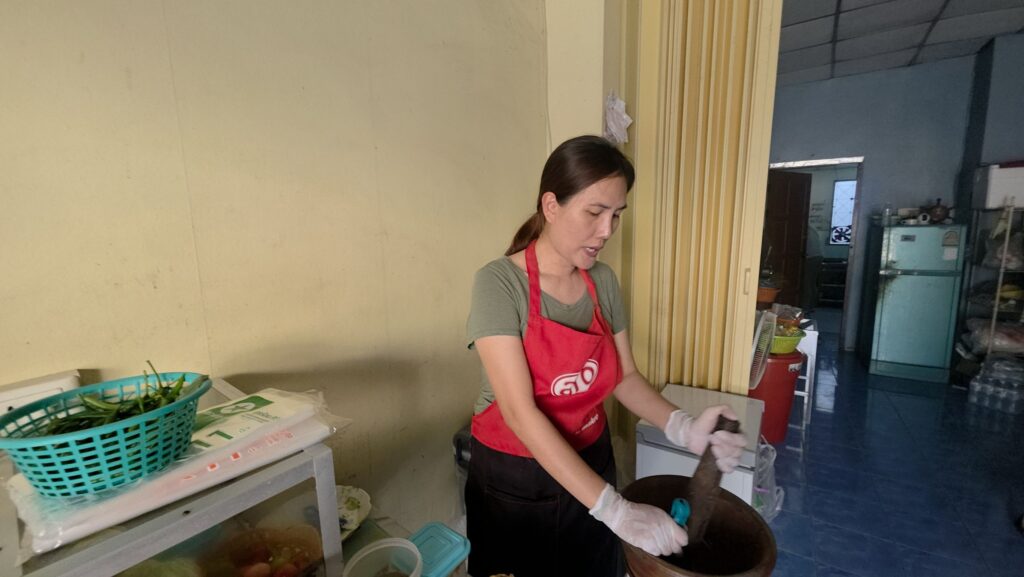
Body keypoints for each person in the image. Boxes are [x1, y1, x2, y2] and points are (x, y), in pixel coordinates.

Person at [464, 135, 747, 577]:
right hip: (517, 478)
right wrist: (614, 508)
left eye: (616, 214)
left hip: (592, 461)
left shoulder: (603, 282)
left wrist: (683, 426)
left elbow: (624, 377)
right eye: (594, 212)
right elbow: (519, 413)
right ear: (551, 206)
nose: (607, 231)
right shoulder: (500, 284)